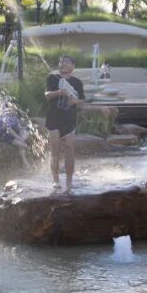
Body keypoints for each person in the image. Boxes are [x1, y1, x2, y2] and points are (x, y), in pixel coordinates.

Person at [44, 55, 85, 192]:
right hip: (53, 119)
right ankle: (56, 180)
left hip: (69, 120)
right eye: (61, 62)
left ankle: (69, 181)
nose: (62, 64)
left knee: (69, 149)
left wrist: (75, 101)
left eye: (66, 62)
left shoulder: (77, 82)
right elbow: (47, 94)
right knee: (54, 150)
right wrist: (60, 92)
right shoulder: (52, 78)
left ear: (73, 66)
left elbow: (82, 101)